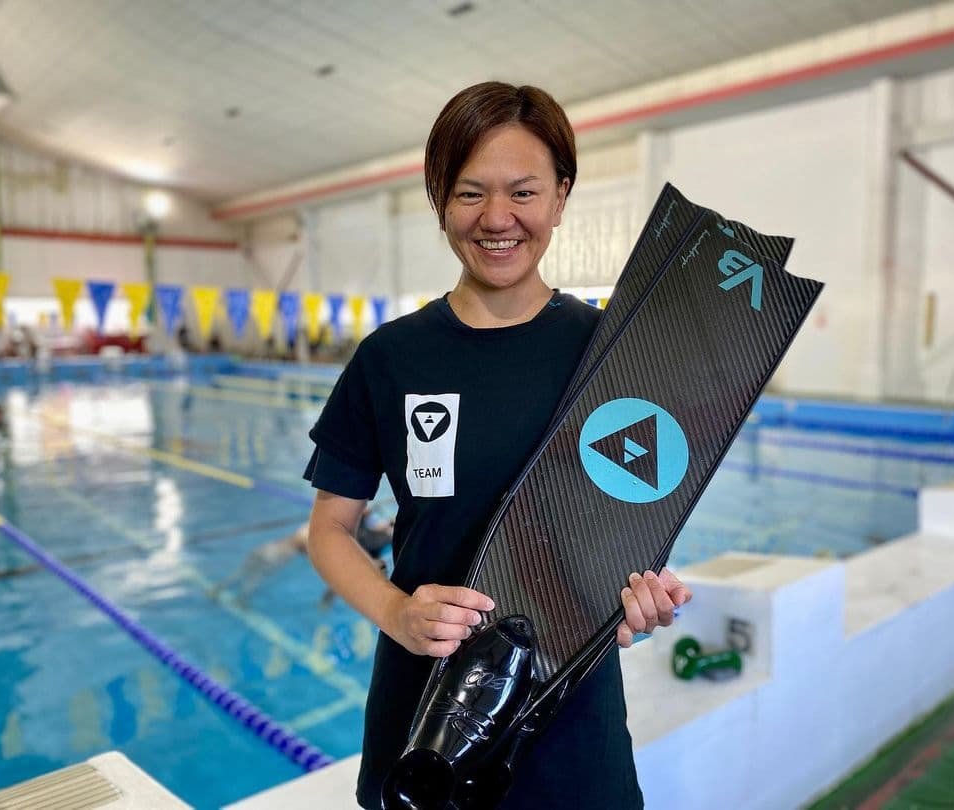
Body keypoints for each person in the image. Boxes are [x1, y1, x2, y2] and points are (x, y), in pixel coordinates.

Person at [304, 82, 691, 809]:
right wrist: (396, 613)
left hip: (571, 720)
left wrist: (644, 593)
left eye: (523, 192)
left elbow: (636, 510)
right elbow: (329, 529)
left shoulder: (609, 352)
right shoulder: (391, 358)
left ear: (561, 196)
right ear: (440, 200)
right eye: (470, 193)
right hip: (425, 715)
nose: (497, 219)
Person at [213, 503, 393, 606]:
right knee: (254, 577)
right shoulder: (356, 540)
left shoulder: (339, 527)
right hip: (278, 554)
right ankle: (240, 598)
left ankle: (219, 589)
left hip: (271, 548)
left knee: (244, 572)